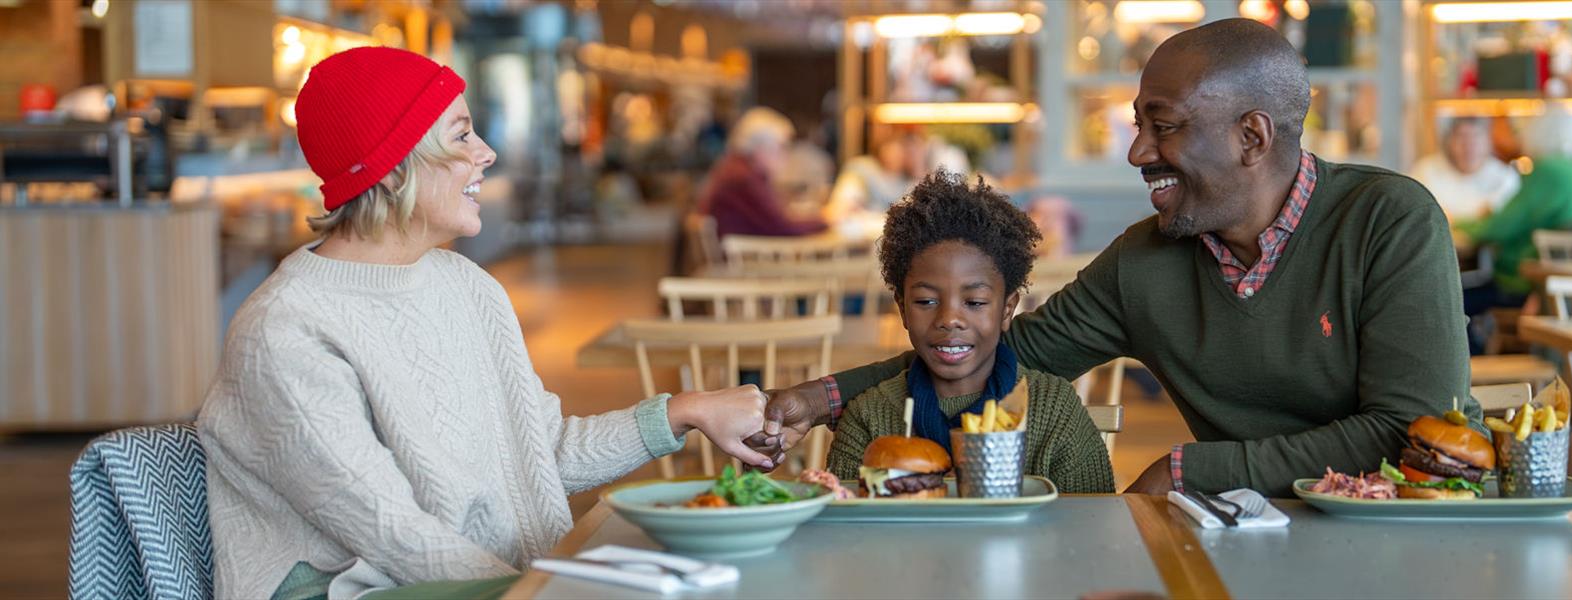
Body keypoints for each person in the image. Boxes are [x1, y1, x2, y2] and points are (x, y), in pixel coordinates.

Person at [754, 19, 1475, 498]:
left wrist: (1192, 467)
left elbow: (1406, 429)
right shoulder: (1146, 261)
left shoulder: (1388, 220)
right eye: (1139, 125)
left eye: (1163, 127)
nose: (1137, 152)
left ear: (1252, 138)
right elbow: (1004, 354)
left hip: (1416, 525)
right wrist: (820, 398)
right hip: (1253, 531)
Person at [197, 48, 774, 600]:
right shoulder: (284, 331)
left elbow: (541, 455)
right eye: (462, 134)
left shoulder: (467, 287)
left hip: (497, 584)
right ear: (396, 167)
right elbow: (396, 535)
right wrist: (552, 590)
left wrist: (687, 410)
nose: (487, 152)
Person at [824, 170, 1115, 494]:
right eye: (925, 301)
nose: (950, 319)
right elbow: (844, 530)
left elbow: (1093, 519)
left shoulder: (1053, 410)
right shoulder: (868, 418)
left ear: (1007, 309)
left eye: (974, 302)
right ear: (903, 308)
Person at [1455, 105, 1572, 320]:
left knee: (1450, 301)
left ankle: (1473, 353)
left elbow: (1501, 226)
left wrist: (1456, 224)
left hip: (1530, 282)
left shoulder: (1548, 172)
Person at [695, 107, 828, 238]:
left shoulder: (736, 169)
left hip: (744, 252)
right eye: (782, 146)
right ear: (760, 148)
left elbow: (775, 222)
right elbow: (784, 229)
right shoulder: (742, 179)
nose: (786, 154)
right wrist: (827, 220)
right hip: (746, 256)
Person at [1409, 117, 1520, 223]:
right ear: (1449, 142)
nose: (1469, 145)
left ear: (1488, 141)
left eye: (1476, 136)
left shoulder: (1505, 177)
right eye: (1462, 136)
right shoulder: (1425, 172)